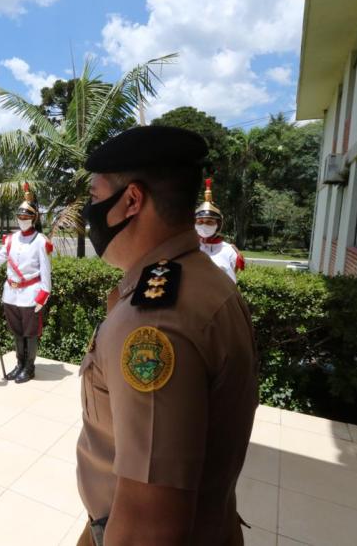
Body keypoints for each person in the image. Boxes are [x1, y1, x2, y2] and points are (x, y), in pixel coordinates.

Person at [75, 125, 259, 545]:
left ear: (131, 201)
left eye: (95, 198)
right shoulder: (202, 279)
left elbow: (149, 523)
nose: (90, 211)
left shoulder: (155, 323)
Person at [0, 183, 52, 384]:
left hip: (31, 293)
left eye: (26, 217)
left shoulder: (40, 241)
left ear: (34, 218)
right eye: (20, 217)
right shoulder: (10, 240)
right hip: (11, 293)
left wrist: (44, 294)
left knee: (30, 333)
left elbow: (46, 271)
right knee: (17, 332)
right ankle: (19, 364)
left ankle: (29, 367)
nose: (22, 220)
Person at [195, 178, 244, 283]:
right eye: (200, 221)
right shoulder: (188, 249)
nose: (204, 225)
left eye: (209, 222)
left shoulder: (229, 251)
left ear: (218, 224)